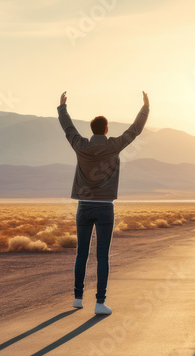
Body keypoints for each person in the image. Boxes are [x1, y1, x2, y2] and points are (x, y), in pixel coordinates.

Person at [57, 91, 149, 315]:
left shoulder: (81, 145)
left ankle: (78, 298)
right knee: (102, 256)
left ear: (92, 129)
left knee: (82, 253)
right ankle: (100, 303)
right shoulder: (113, 146)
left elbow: (68, 129)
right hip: (105, 207)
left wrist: (62, 108)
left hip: (84, 207)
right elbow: (134, 131)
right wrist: (145, 108)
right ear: (106, 129)